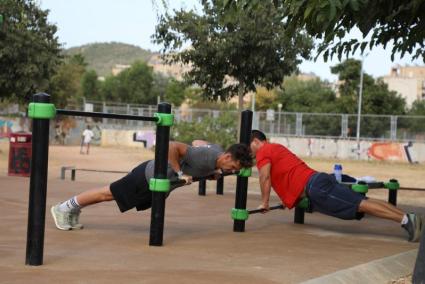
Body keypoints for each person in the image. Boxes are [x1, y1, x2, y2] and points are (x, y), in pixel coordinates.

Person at [250, 129, 423, 242]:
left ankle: (406, 220)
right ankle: (408, 217)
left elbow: (264, 177)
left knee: (361, 204)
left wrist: (264, 202)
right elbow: (286, 175)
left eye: (250, 146)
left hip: (315, 186)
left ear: (256, 141)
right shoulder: (275, 148)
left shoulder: (263, 151)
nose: (250, 152)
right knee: (362, 201)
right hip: (317, 183)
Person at [51, 141, 253, 230]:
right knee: (108, 193)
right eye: (232, 166)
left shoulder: (214, 156)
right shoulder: (207, 156)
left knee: (110, 194)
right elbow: (173, 145)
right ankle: (63, 208)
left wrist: (210, 174)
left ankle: (71, 209)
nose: (231, 170)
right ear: (226, 156)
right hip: (148, 177)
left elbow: (197, 141)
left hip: (155, 182)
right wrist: (180, 172)